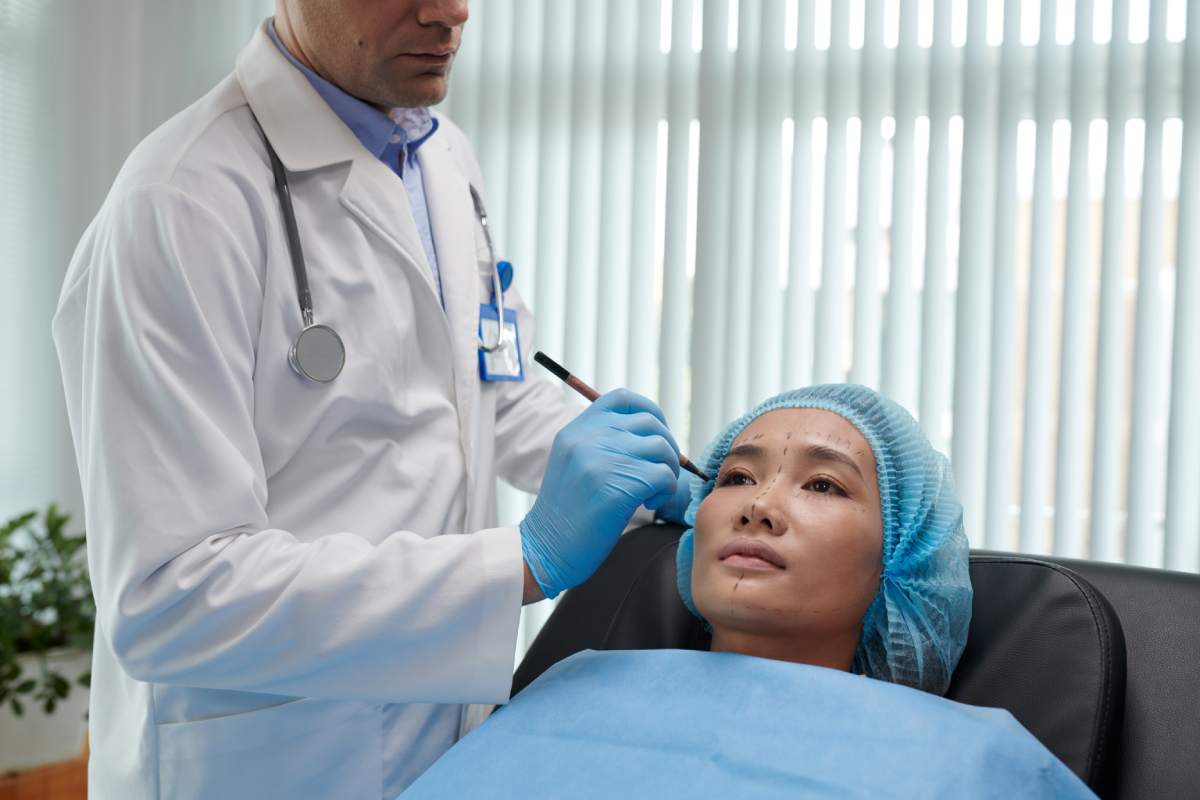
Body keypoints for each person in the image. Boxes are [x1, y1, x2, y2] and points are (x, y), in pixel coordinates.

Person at [50, 2, 694, 797]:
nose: (449, 11)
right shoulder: (178, 204)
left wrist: (644, 478)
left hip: (445, 741)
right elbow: (171, 598)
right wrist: (522, 562)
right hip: (274, 762)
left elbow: (487, 388)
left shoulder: (438, 155)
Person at [403, 384, 1096, 798]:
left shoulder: (975, 765)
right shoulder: (566, 689)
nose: (758, 505)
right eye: (734, 476)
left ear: (906, 562)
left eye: (824, 484)